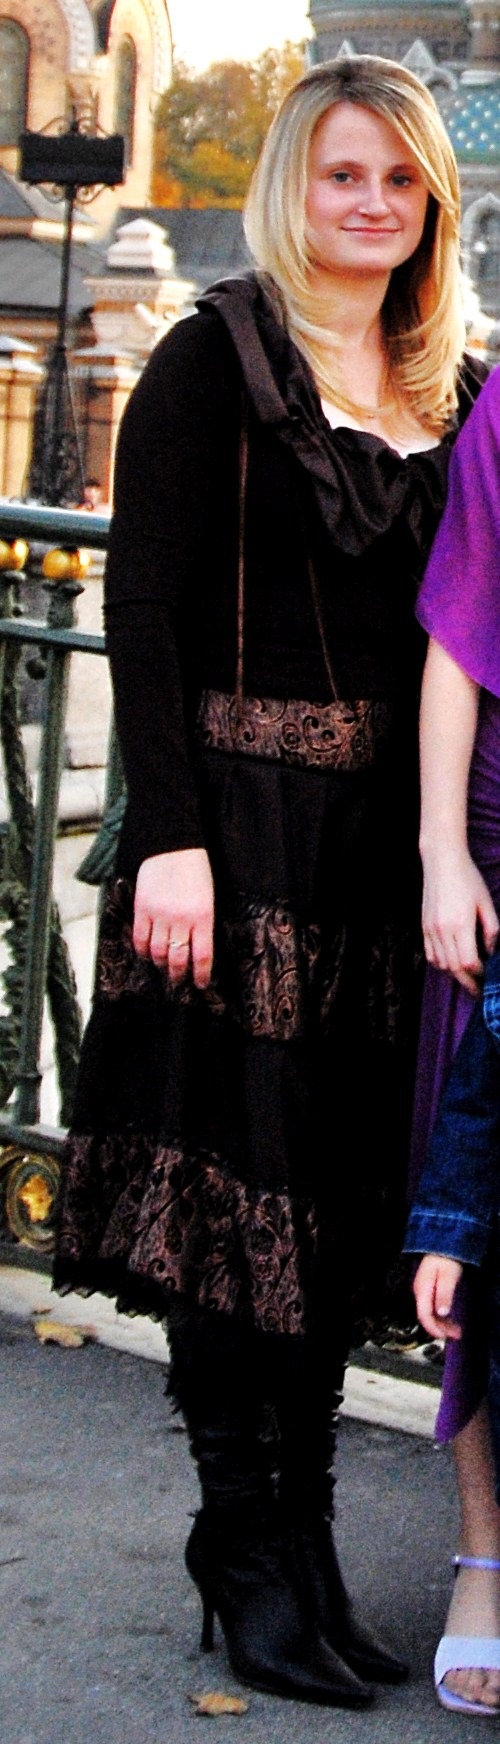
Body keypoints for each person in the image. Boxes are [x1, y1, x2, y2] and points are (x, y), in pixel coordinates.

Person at [52, 54, 483, 1706]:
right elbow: (143, 606)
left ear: (432, 203)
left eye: (401, 181)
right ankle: (243, 1552)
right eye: (343, 175)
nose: (373, 204)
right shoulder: (211, 357)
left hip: (380, 857)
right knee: (231, 1215)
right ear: (293, 187)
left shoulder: (450, 383)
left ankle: (303, 1552)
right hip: (232, 842)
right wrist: (168, 834)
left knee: (326, 1211)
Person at [406, 365, 500, 1716]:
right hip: (499, 852)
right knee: (482, 1213)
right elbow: (461, 633)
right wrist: (442, 851)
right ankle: (487, 1549)